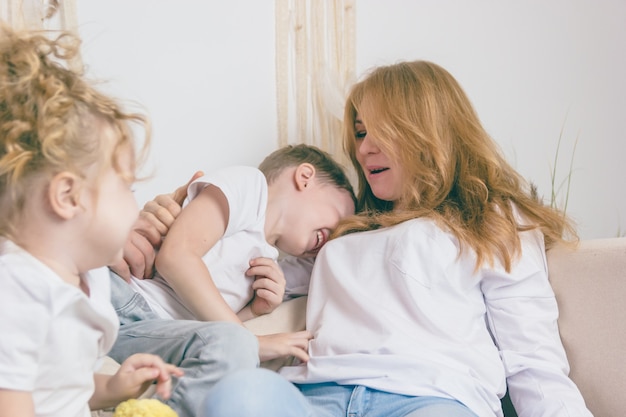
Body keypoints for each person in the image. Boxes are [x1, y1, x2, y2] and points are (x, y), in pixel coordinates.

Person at [137, 60, 594, 417]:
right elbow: (233, 265)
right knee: (236, 398)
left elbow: (533, 362)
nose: (362, 148)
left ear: (427, 130)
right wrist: (161, 226)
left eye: (380, 130)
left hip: (430, 397)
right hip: (315, 394)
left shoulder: (491, 217)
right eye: (359, 133)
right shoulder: (340, 234)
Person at [0, 26, 182, 417]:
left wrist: (114, 388)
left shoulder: (92, 278)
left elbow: (65, 389)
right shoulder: (17, 289)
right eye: (126, 188)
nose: (136, 209)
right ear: (68, 197)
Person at [107, 144, 355, 416]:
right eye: (340, 217)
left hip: (152, 331)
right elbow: (176, 257)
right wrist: (251, 340)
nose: (332, 238)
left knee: (231, 353)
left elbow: (210, 324)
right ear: (305, 177)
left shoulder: (267, 260)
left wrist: (254, 310)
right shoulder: (251, 188)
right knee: (239, 346)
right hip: (121, 298)